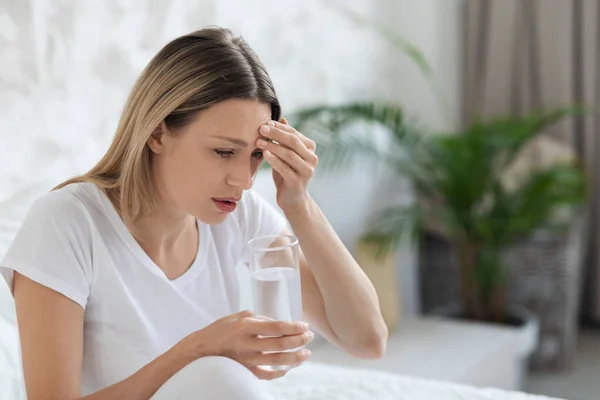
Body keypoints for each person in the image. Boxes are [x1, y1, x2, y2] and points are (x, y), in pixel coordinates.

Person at [0, 27, 387, 400]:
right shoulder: (66, 222)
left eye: (255, 156)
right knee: (216, 374)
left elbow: (367, 339)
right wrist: (200, 349)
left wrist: (299, 204)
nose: (245, 180)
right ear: (157, 133)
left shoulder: (241, 215)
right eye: (223, 152)